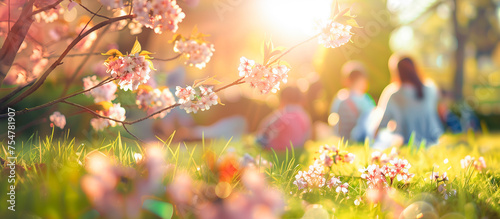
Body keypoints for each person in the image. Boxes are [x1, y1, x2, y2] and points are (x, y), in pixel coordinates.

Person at [375, 55, 443, 148]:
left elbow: (382, 123)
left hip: (404, 141)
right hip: (433, 139)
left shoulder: (393, 93)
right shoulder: (431, 89)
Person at [329, 61, 375, 142]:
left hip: (342, 136)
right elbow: (373, 117)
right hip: (360, 136)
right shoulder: (364, 98)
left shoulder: (339, 97)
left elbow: (332, 117)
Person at [256, 86, 312, 151]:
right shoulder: (305, 115)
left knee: (259, 140)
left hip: (278, 148)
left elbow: (264, 127)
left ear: (283, 99)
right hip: (297, 147)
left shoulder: (283, 113)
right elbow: (308, 136)